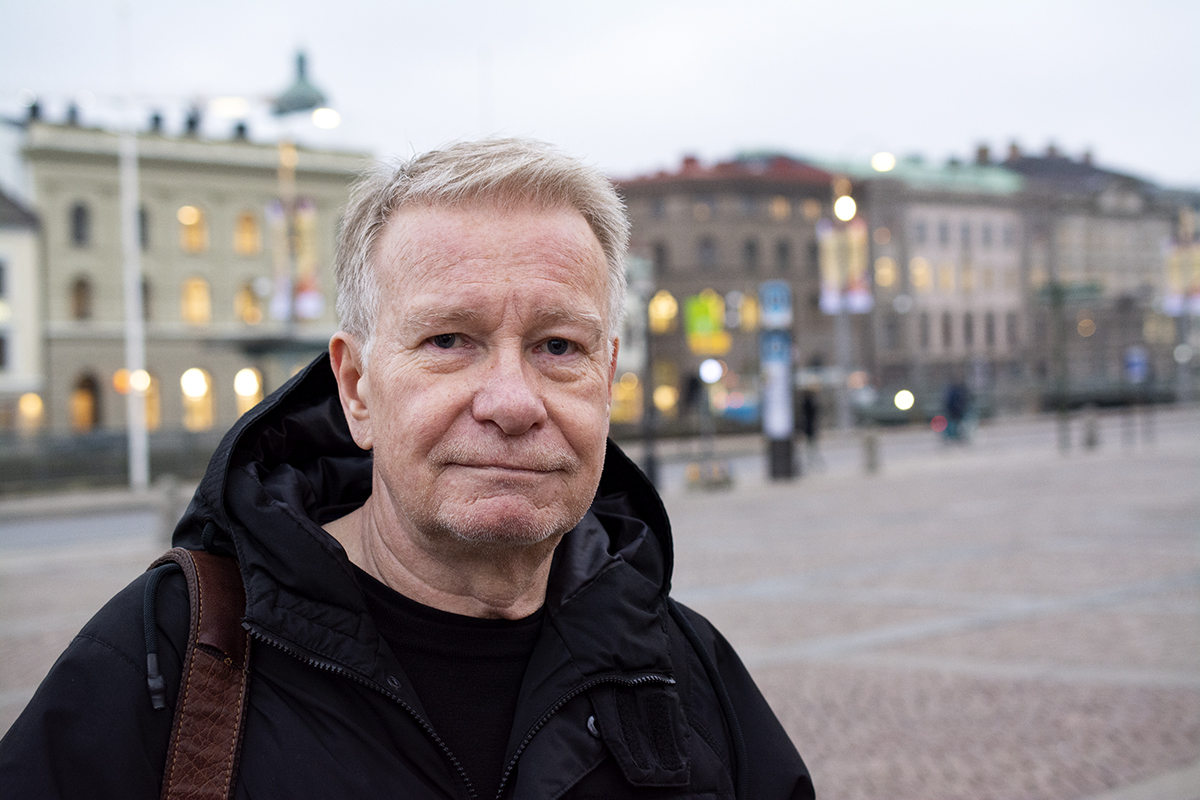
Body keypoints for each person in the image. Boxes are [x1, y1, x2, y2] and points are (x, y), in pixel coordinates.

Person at [0, 139, 814, 799]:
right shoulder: (171, 657)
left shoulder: (684, 672)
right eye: (448, 341)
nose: (510, 401)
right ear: (356, 387)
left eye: (557, 347)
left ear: (606, 379)